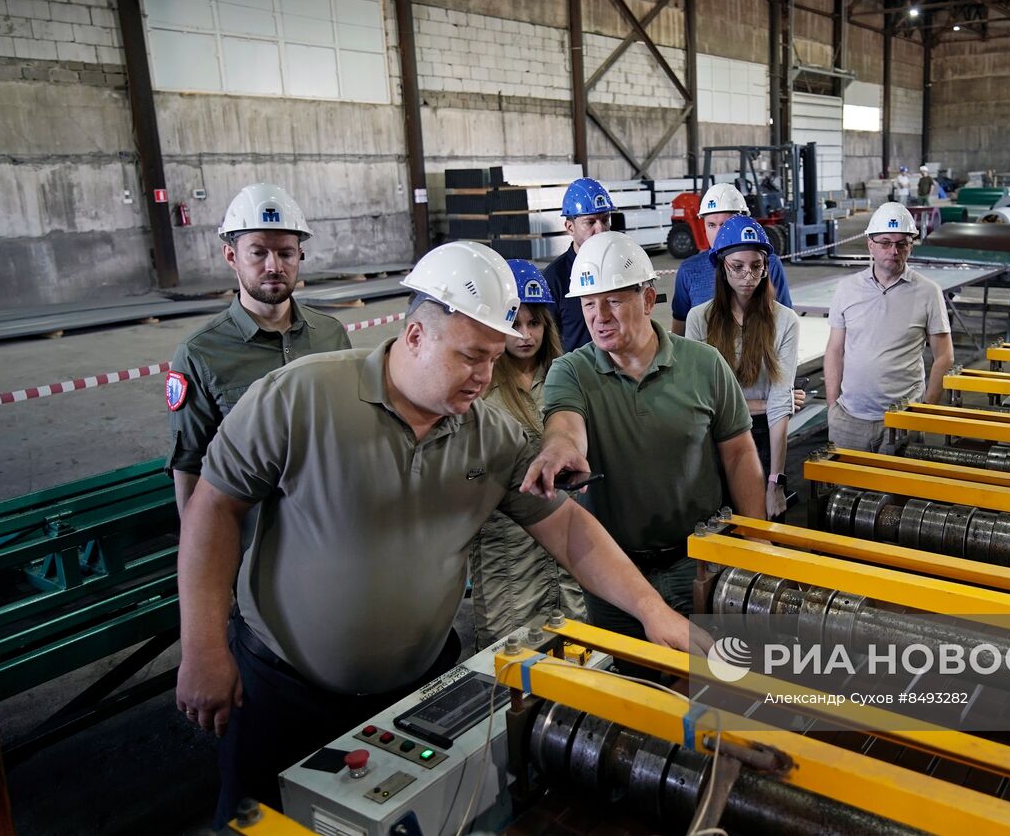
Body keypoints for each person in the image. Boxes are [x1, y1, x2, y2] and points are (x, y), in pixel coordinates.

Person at [174, 241, 694, 825]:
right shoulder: (301, 398)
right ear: (416, 335)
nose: (485, 377)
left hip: (418, 699)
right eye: (471, 356)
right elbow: (213, 511)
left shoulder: (489, 438)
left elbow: (570, 531)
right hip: (280, 691)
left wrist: (652, 611)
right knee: (258, 819)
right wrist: (201, 648)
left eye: (495, 358)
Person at [521, 231, 766, 645]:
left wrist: (757, 544)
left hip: (702, 563)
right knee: (630, 690)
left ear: (649, 299)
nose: (599, 316)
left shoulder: (703, 364)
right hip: (615, 573)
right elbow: (564, 425)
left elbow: (740, 452)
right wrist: (560, 449)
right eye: (588, 304)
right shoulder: (571, 371)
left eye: (613, 301)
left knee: (717, 676)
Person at [166, 183, 350, 518]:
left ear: (300, 255)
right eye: (258, 252)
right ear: (231, 256)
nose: (273, 266)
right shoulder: (200, 353)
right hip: (251, 535)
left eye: (286, 253)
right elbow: (190, 464)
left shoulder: (330, 334)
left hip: (329, 522)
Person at [469, 259, 586, 648]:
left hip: (567, 536)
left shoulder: (565, 377)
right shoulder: (480, 391)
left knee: (576, 645)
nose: (525, 335)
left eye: (534, 323)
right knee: (513, 660)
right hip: (508, 550)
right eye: (513, 324)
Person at [685, 217, 799, 520]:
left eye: (756, 266)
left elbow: (779, 402)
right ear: (722, 266)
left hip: (764, 439)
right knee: (717, 532)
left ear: (766, 267)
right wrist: (758, 404)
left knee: (764, 530)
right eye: (737, 266)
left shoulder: (785, 321)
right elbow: (699, 399)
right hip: (713, 439)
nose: (748, 276)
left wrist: (776, 480)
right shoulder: (699, 320)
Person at [824, 203, 955, 454]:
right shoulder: (847, 289)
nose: (893, 251)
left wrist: (925, 410)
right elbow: (834, 350)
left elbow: (944, 356)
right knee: (845, 491)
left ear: (911, 245)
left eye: (902, 243)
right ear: (870, 244)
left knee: (897, 491)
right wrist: (832, 405)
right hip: (850, 419)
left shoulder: (928, 292)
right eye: (885, 242)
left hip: (903, 419)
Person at [670, 183, 792, 336]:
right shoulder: (689, 270)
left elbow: (785, 322)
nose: (719, 233)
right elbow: (680, 330)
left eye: (725, 225)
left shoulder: (770, 264)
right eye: (711, 225)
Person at [544, 177, 615, 352]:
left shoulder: (621, 266)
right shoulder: (555, 278)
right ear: (570, 227)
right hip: (578, 376)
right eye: (590, 222)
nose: (601, 229)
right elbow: (546, 342)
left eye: (605, 219)